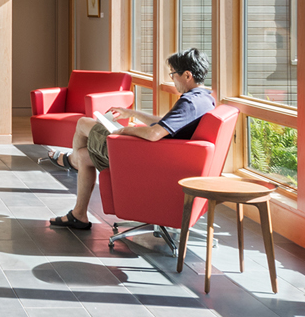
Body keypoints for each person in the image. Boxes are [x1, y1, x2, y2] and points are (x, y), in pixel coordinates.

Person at [46, 48, 216, 230]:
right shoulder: (204, 99)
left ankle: (70, 161)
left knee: (82, 123)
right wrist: (131, 113)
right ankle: (79, 214)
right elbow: (166, 124)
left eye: (173, 74)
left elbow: (153, 134)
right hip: (164, 158)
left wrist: (124, 131)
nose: (172, 79)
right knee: (84, 156)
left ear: (187, 75)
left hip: (144, 159)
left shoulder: (188, 103)